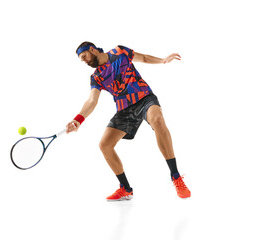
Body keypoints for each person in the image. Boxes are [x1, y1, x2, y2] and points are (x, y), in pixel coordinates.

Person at [66, 42, 191, 200]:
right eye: (81, 60)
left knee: (157, 119)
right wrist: (78, 120)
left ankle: (176, 176)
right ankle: (125, 189)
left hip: (144, 99)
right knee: (105, 145)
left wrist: (163, 60)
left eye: (84, 57)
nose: (84, 61)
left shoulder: (120, 52)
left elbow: (144, 58)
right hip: (125, 110)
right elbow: (92, 101)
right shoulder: (96, 77)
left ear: (92, 50)